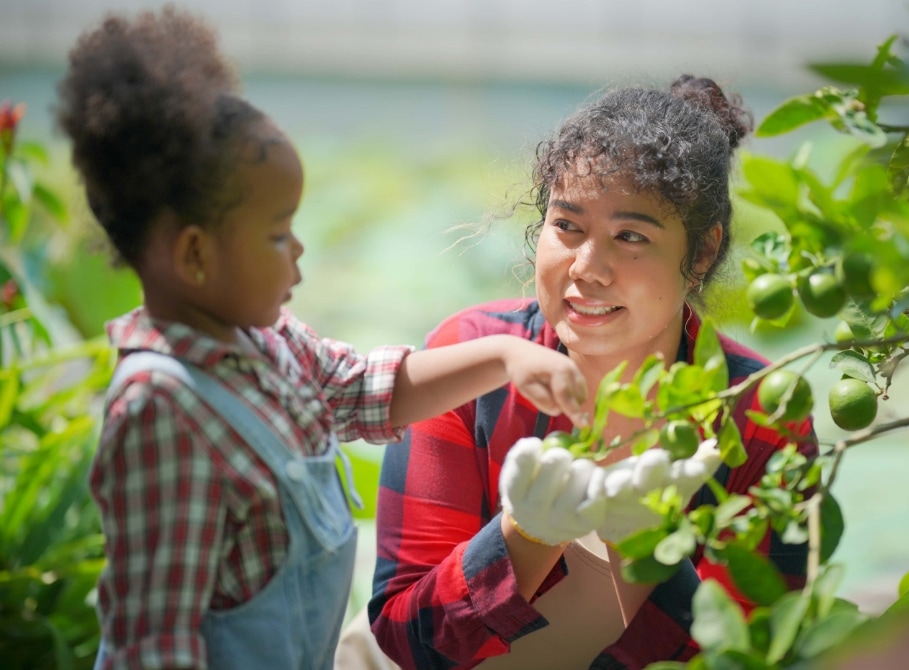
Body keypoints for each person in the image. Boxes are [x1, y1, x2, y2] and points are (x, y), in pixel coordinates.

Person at [55, 7, 591, 670]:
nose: (300, 250)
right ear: (195, 255)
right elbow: (155, 642)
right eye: (278, 233)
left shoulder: (268, 345)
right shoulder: (160, 409)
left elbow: (375, 392)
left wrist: (509, 355)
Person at [355, 74, 818, 670]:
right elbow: (407, 637)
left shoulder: (761, 413)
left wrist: (638, 560)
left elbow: (749, 653)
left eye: (630, 236)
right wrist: (527, 535)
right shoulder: (471, 361)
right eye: (568, 226)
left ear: (701, 251)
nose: (587, 269)